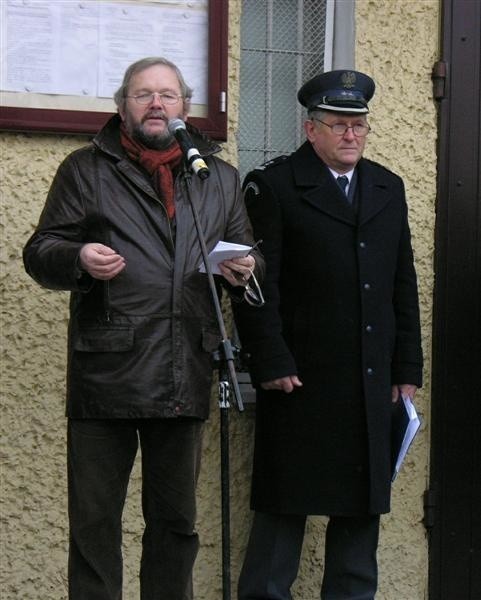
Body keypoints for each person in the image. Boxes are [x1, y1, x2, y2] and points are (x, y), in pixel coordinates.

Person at [23, 56, 264, 600]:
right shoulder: (84, 171)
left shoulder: (218, 178)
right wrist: (79, 256)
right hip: (105, 374)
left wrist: (243, 269)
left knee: (176, 526)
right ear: (121, 107)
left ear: (184, 107)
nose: (157, 104)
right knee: (94, 527)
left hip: (185, 369)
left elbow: (247, 255)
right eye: (143, 94)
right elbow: (40, 251)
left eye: (168, 95)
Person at [233, 70, 423, 600]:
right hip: (300, 378)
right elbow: (255, 283)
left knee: (360, 516)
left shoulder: (388, 186)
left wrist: (407, 370)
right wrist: (268, 360)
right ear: (310, 128)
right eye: (338, 125)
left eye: (358, 126)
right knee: (282, 513)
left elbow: (400, 283)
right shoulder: (273, 185)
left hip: (369, 377)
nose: (350, 136)